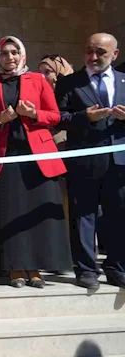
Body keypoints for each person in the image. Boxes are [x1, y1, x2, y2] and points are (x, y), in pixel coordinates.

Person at [0, 36, 72, 288]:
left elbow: (55, 116)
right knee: (10, 212)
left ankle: (35, 268)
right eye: (5, 53)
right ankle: (15, 268)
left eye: (14, 52)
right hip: (5, 156)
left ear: (22, 55)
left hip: (37, 157)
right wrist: (0, 120)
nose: (10, 58)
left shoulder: (38, 80)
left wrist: (33, 114)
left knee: (36, 214)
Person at [55, 33, 125, 289]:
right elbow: (58, 118)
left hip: (119, 162)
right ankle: (85, 269)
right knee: (83, 215)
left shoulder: (124, 81)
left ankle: (116, 267)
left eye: (100, 52)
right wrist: (85, 117)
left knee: (118, 215)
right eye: (89, 51)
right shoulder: (69, 83)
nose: (93, 57)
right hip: (85, 160)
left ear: (114, 55)